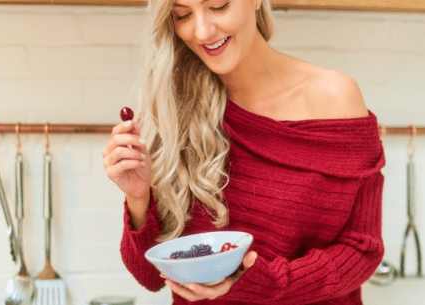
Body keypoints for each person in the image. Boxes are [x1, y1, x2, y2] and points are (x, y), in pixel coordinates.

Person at [102, 0, 385, 304]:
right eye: (182, 15)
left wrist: (264, 282)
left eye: (218, 6)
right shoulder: (172, 110)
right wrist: (138, 198)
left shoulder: (335, 98)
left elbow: (362, 250)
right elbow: (148, 277)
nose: (201, 31)